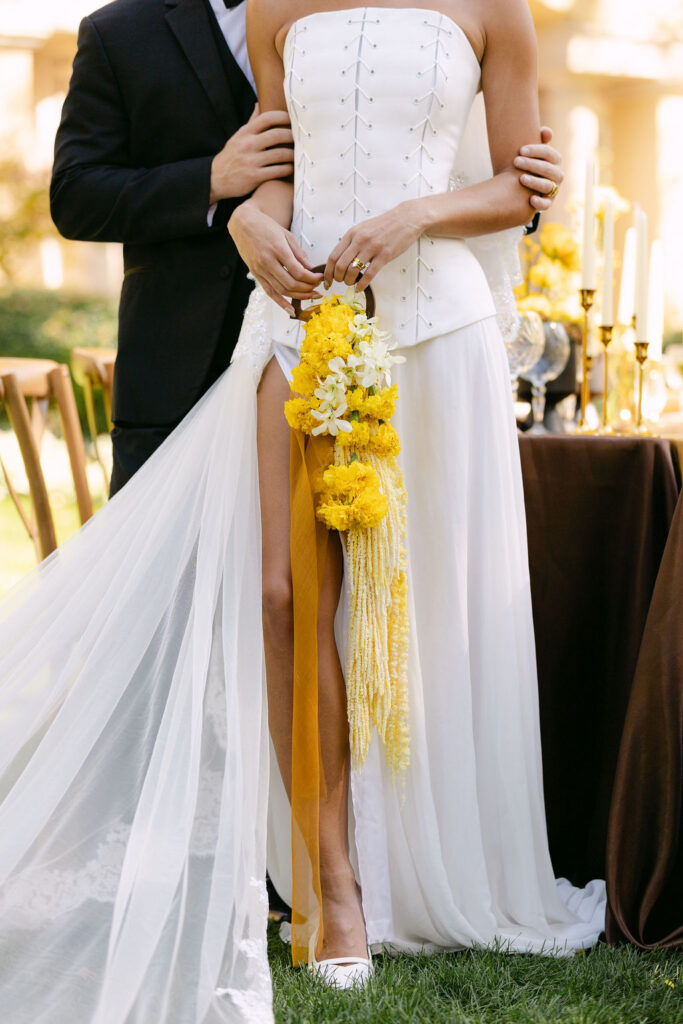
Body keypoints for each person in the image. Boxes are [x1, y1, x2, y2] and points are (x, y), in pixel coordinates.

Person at [0, 2, 604, 1021]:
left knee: (425, 605)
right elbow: (277, 167)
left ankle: (425, 865)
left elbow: (519, 184)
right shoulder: (283, 5)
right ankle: (332, 891)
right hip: (293, 318)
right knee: (281, 595)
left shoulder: (493, 7)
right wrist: (250, 223)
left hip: (436, 325)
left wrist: (415, 214)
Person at [50, 0, 562, 495]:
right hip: (190, 362)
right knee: (190, 577)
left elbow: (465, 162)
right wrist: (213, 182)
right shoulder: (119, 30)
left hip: (390, 325)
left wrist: (527, 184)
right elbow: (75, 196)